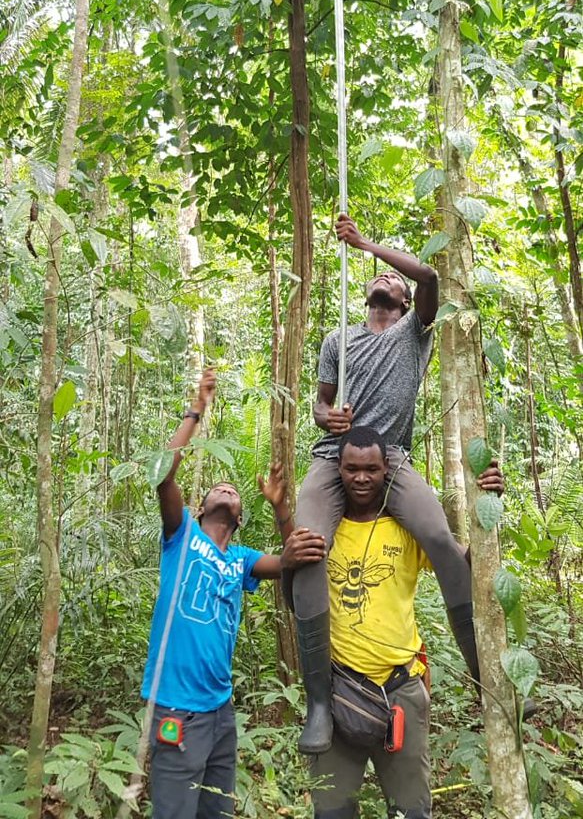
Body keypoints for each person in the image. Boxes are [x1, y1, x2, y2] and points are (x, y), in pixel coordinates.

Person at [293, 215, 480, 754]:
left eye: (394, 284)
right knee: (308, 548)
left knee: (442, 542)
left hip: (391, 458)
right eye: (385, 282)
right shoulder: (339, 339)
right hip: (333, 458)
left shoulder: (411, 332)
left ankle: (485, 677)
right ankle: (320, 704)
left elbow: (429, 280)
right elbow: (321, 402)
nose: (389, 285)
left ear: (400, 301)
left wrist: (365, 243)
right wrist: (324, 416)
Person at [285, 426, 503, 819]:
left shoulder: (407, 528)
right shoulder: (322, 533)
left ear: (388, 468)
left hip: (399, 691)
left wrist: (487, 507)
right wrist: (288, 559)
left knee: (411, 812)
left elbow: (464, 568)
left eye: (371, 469)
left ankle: (491, 687)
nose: (361, 478)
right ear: (338, 469)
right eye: (351, 469)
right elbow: (294, 602)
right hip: (339, 690)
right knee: (331, 812)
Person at [142, 367, 326, 819]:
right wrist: (197, 408)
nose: (226, 488)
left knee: (216, 810)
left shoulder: (241, 559)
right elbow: (164, 476)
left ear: (240, 515)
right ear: (200, 507)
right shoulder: (182, 535)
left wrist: (283, 508)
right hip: (178, 706)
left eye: (233, 490)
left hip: (221, 711)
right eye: (216, 489)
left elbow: (290, 562)